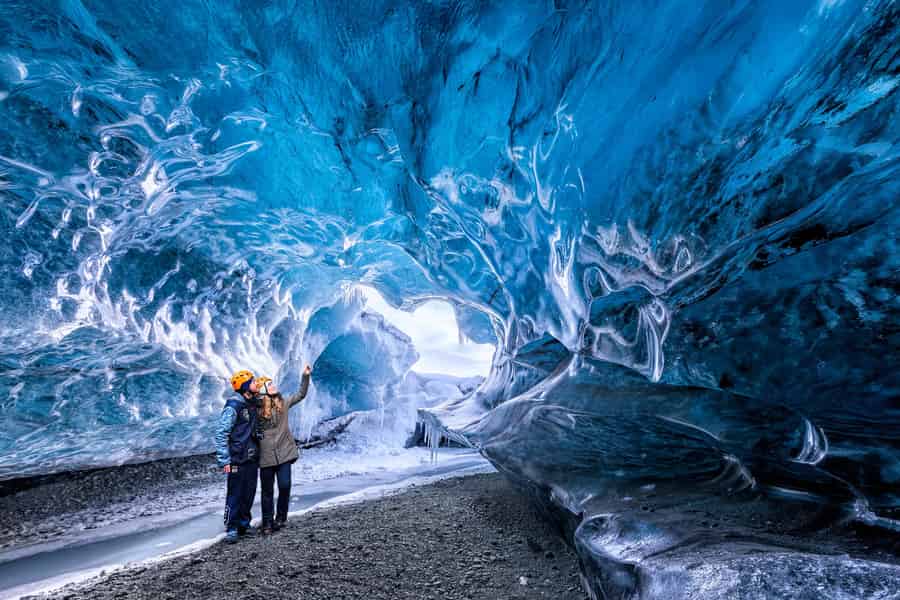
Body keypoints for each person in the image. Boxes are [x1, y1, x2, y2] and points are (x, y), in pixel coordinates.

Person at [257, 364, 312, 534]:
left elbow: (301, 394)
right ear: (264, 391)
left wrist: (305, 376)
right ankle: (267, 523)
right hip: (265, 457)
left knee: (285, 486)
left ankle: (281, 518)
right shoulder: (256, 410)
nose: (274, 386)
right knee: (267, 492)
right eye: (270, 385)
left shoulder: (283, 403)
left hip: (285, 454)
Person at [216, 369, 263, 544]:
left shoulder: (252, 403)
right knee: (235, 493)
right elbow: (221, 433)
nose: (255, 383)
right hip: (236, 458)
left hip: (251, 457)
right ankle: (232, 527)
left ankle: (244, 524)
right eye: (252, 382)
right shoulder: (233, 407)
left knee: (249, 492)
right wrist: (224, 460)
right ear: (244, 386)